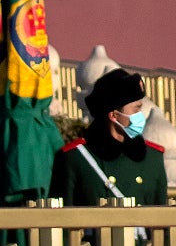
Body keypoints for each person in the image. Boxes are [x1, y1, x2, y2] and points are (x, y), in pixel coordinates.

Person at [50, 68, 167, 239]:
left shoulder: (152, 157)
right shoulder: (75, 158)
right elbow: (61, 227)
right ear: (113, 115)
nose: (140, 116)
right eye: (135, 110)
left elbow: (163, 224)